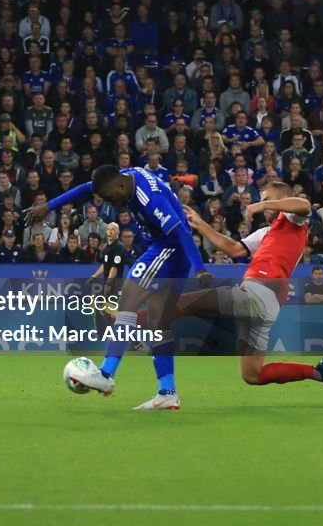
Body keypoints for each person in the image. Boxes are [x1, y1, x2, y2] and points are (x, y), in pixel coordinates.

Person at [27, 165, 211, 409]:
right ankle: (167, 392)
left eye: (112, 197)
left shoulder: (149, 197)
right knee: (158, 323)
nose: (112, 204)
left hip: (170, 250)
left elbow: (181, 233)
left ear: (121, 186)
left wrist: (200, 268)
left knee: (127, 300)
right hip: (166, 250)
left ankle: (106, 374)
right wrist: (48, 206)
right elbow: (86, 187)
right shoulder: (122, 177)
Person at [178, 184, 323, 396]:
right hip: (266, 301)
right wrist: (201, 224)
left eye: (267, 199)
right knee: (252, 375)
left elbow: (304, 205)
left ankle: (135, 324)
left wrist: (261, 205)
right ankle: (319, 373)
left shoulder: (292, 220)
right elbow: (234, 249)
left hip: (261, 292)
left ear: (282, 198)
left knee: (180, 303)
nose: (263, 205)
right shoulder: (267, 232)